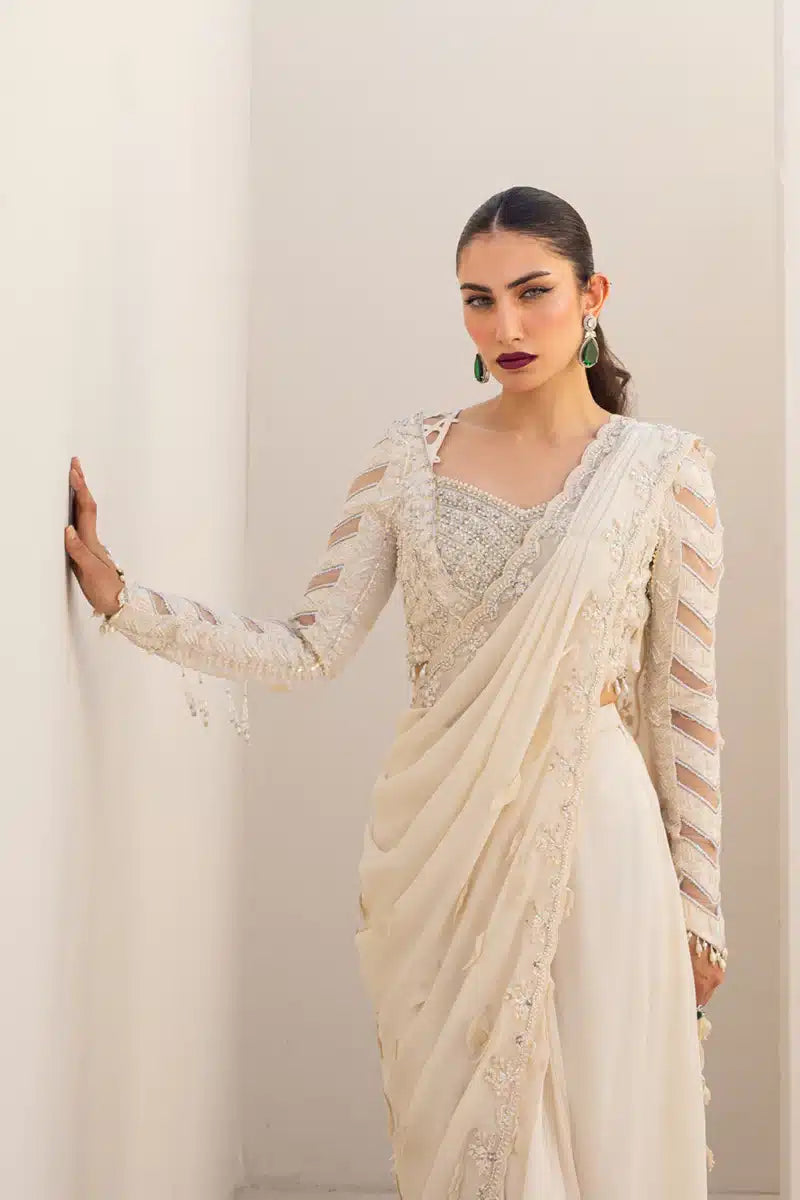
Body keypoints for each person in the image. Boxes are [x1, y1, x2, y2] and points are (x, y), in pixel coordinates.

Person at [65, 185, 727, 1200]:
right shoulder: (408, 460)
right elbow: (309, 645)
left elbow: (685, 705)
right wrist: (126, 602)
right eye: (477, 300)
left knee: (595, 1132)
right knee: (469, 1137)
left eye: (533, 293)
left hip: (594, 841)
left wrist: (700, 908)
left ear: (591, 296)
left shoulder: (659, 471)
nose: (505, 327)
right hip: (442, 846)